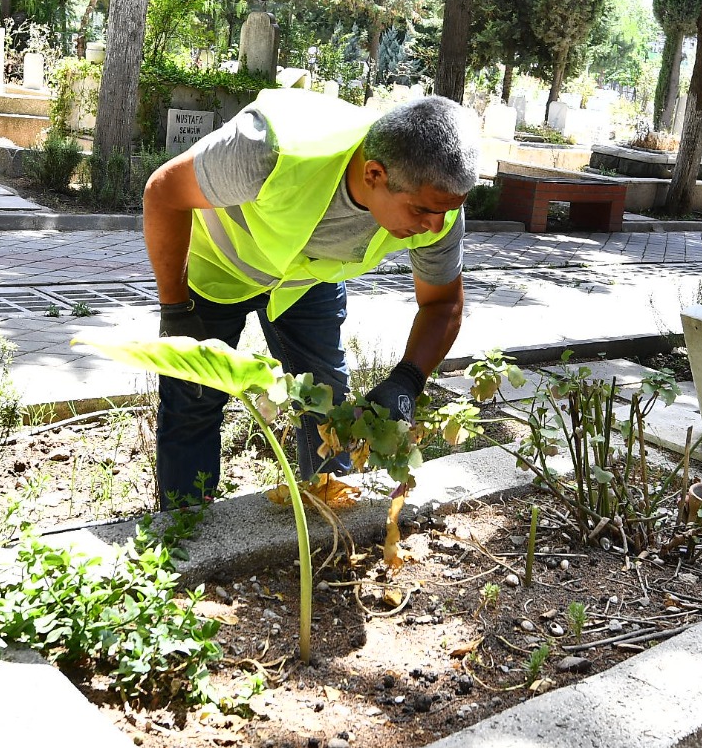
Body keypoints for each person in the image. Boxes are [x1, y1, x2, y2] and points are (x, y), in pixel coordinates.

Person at [141, 88, 480, 505]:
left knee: (326, 402)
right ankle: (184, 525)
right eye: (422, 212)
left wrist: (407, 380)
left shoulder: (437, 203)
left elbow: (443, 304)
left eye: (447, 211)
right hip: (220, 269)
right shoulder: (268, 148)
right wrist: (176, 309)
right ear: (374, 174)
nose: (436, 226)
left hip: (306, 280)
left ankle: (329, 513)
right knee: (192, 399)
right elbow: (164, 192)